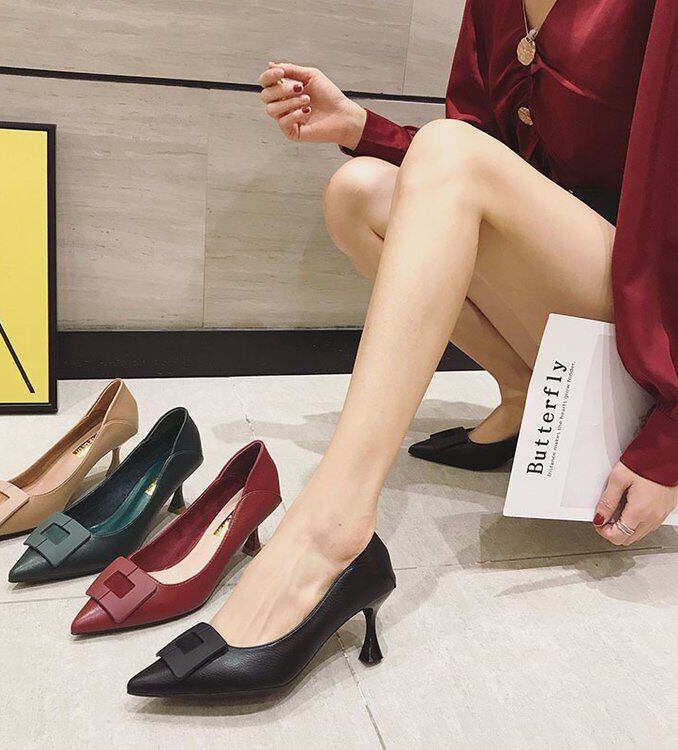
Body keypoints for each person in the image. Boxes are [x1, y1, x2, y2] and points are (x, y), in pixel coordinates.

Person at [128, 0, 678, 696]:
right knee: (356, 193)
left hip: (650, 297)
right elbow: (484, 159)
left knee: (449, 151)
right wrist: (360, 128)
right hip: (570, 283)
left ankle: (330, 531)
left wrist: (669, 445)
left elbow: (465, 159)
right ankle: (521, 391)